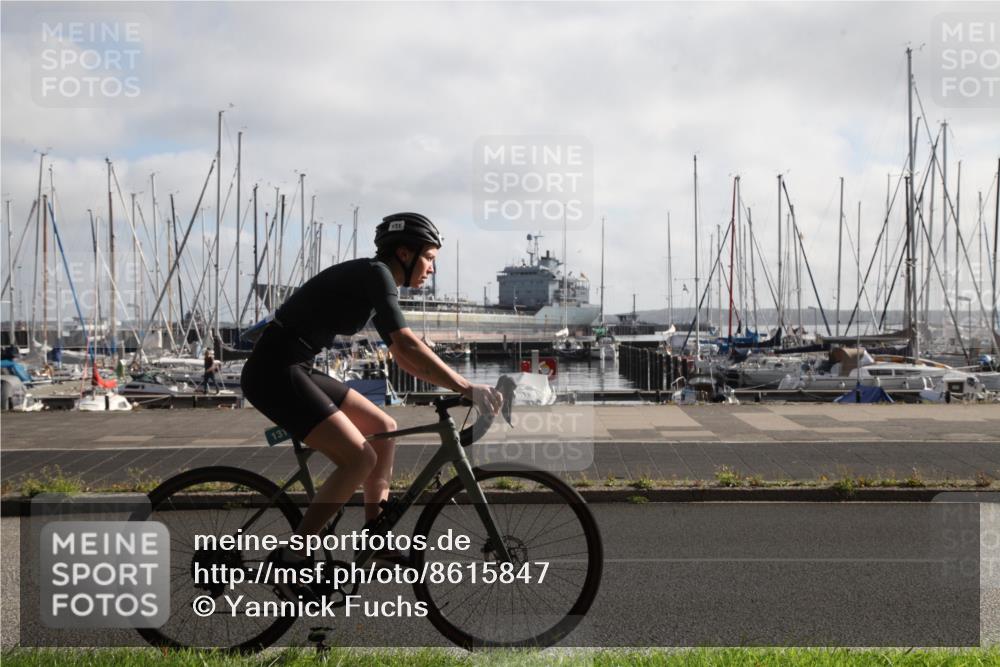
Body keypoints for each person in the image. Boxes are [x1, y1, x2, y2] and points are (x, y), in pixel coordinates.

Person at [240, 212, 502, 589]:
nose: (431, 269)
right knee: (360, 457)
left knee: (384, 427)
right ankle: (292, 557)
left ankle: (376, 538)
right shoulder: (377, 274)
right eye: (429, 259)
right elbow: (409, 344)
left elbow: (403, 356)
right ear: (404, 253)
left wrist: (456, 388)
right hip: (274, 372)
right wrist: (466, 387)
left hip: (294, 365)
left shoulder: (377, 281)